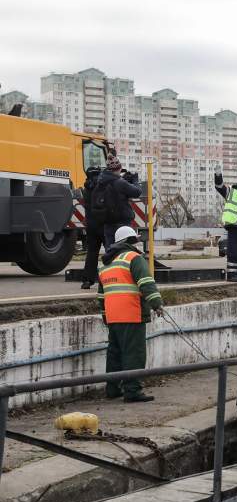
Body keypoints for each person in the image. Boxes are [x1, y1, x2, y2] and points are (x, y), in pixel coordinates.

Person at [97, 226, 164, 403]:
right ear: (129, 242)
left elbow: (101, 295)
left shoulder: (105, 264)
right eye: (135, 241)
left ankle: (112, 389)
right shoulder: (134, 258)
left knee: (115, 354)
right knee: (134, 353)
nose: (138, 244)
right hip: (131, 313)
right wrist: (157, 304)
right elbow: (146, 282)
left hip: (113, 316)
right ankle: (132, 391)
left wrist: (105, 315)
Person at [94, 154, 142, 248]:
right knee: (124, 251)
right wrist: (135, 180)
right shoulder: (119, 183)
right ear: (118, 169)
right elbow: (137, 192)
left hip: (108, 224)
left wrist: (124, 180)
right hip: (122, 224)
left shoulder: (101, 182)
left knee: (111, 252)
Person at [80, 166, 104, 289]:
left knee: (92, 253)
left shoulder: (86, 188)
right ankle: (111, 277)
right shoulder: (102, 187)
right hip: (104, 224)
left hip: (91, 225)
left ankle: (87, 281)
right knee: (111, 252)